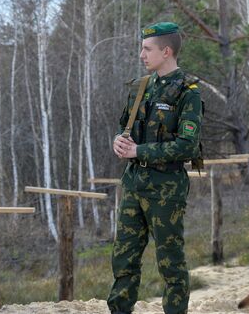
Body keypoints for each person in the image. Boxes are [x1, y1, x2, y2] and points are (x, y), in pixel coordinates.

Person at [107, 22, 203, 314]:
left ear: (166, 51)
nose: (141, 55)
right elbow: (126, 128)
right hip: (134, 182)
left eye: (147, 49)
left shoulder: (188, 91)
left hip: (166, 187)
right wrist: (120, 142)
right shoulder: (141, 87)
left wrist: (140, 150)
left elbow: (187, 145)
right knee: (123, 258)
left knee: (170, 262)